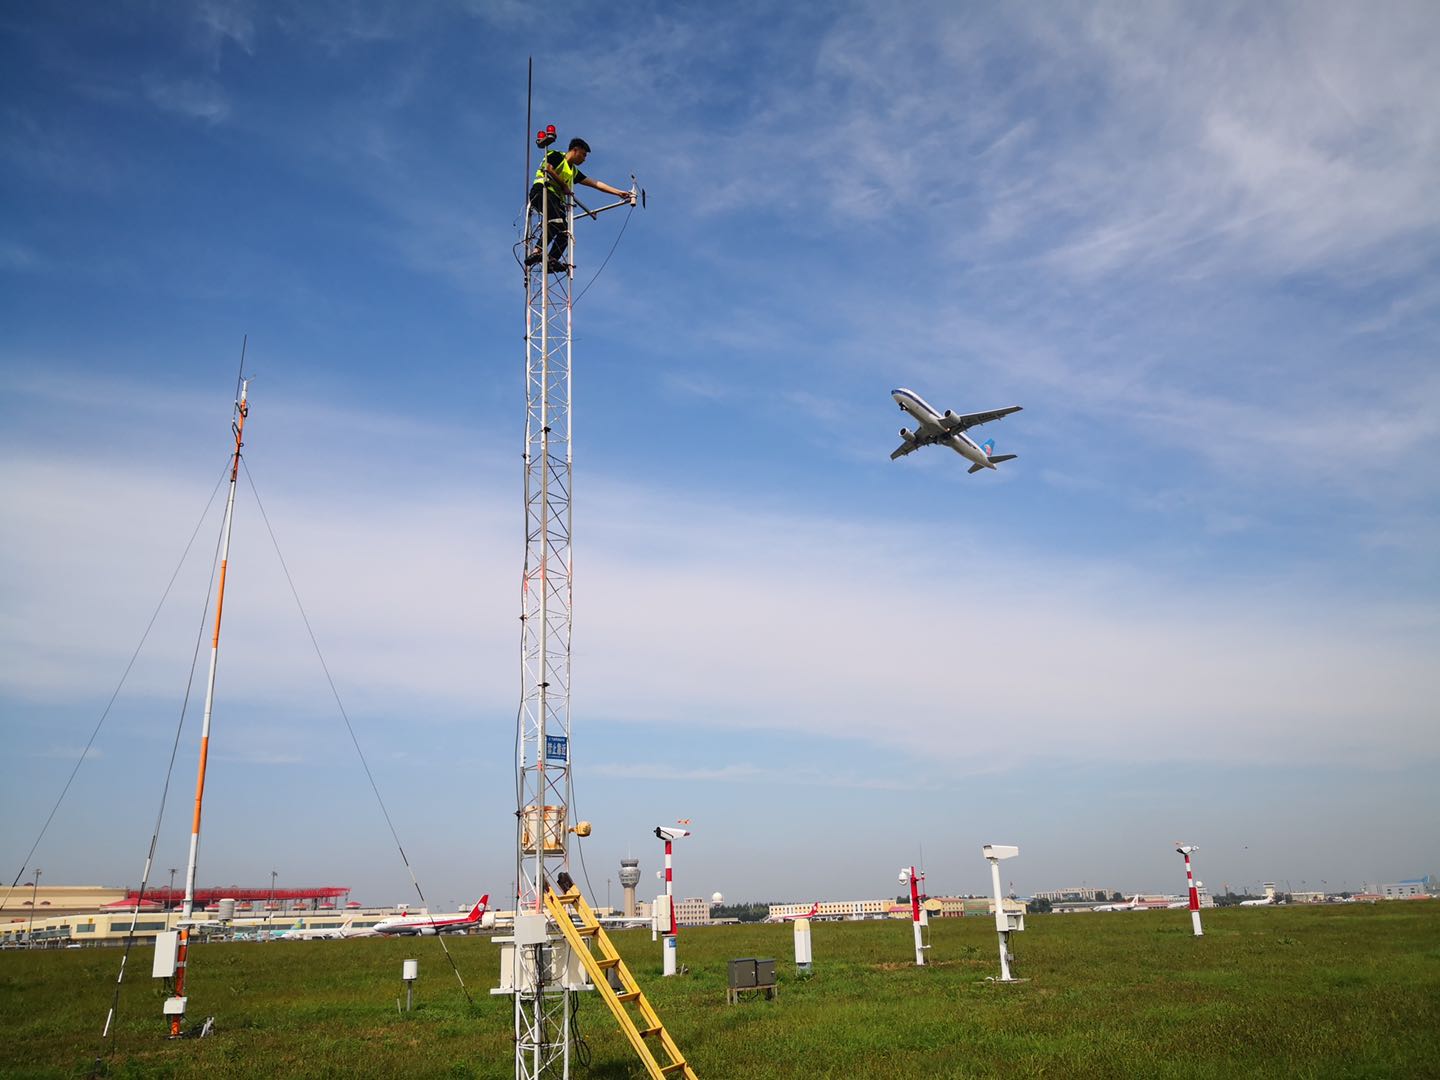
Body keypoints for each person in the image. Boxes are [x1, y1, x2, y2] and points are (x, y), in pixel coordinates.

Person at [527, 137, 636, 270]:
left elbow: (595, 183)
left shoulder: (573, 171)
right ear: (575, 150)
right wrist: (564, 185)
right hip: (541, 191)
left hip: (555, 199)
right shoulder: (556, 155)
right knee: (556, 221)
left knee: (565, 231)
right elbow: (548, 168)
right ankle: (537, 252)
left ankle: (552, 261)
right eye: (583, 155)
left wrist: (618, 192)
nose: (584, 159)